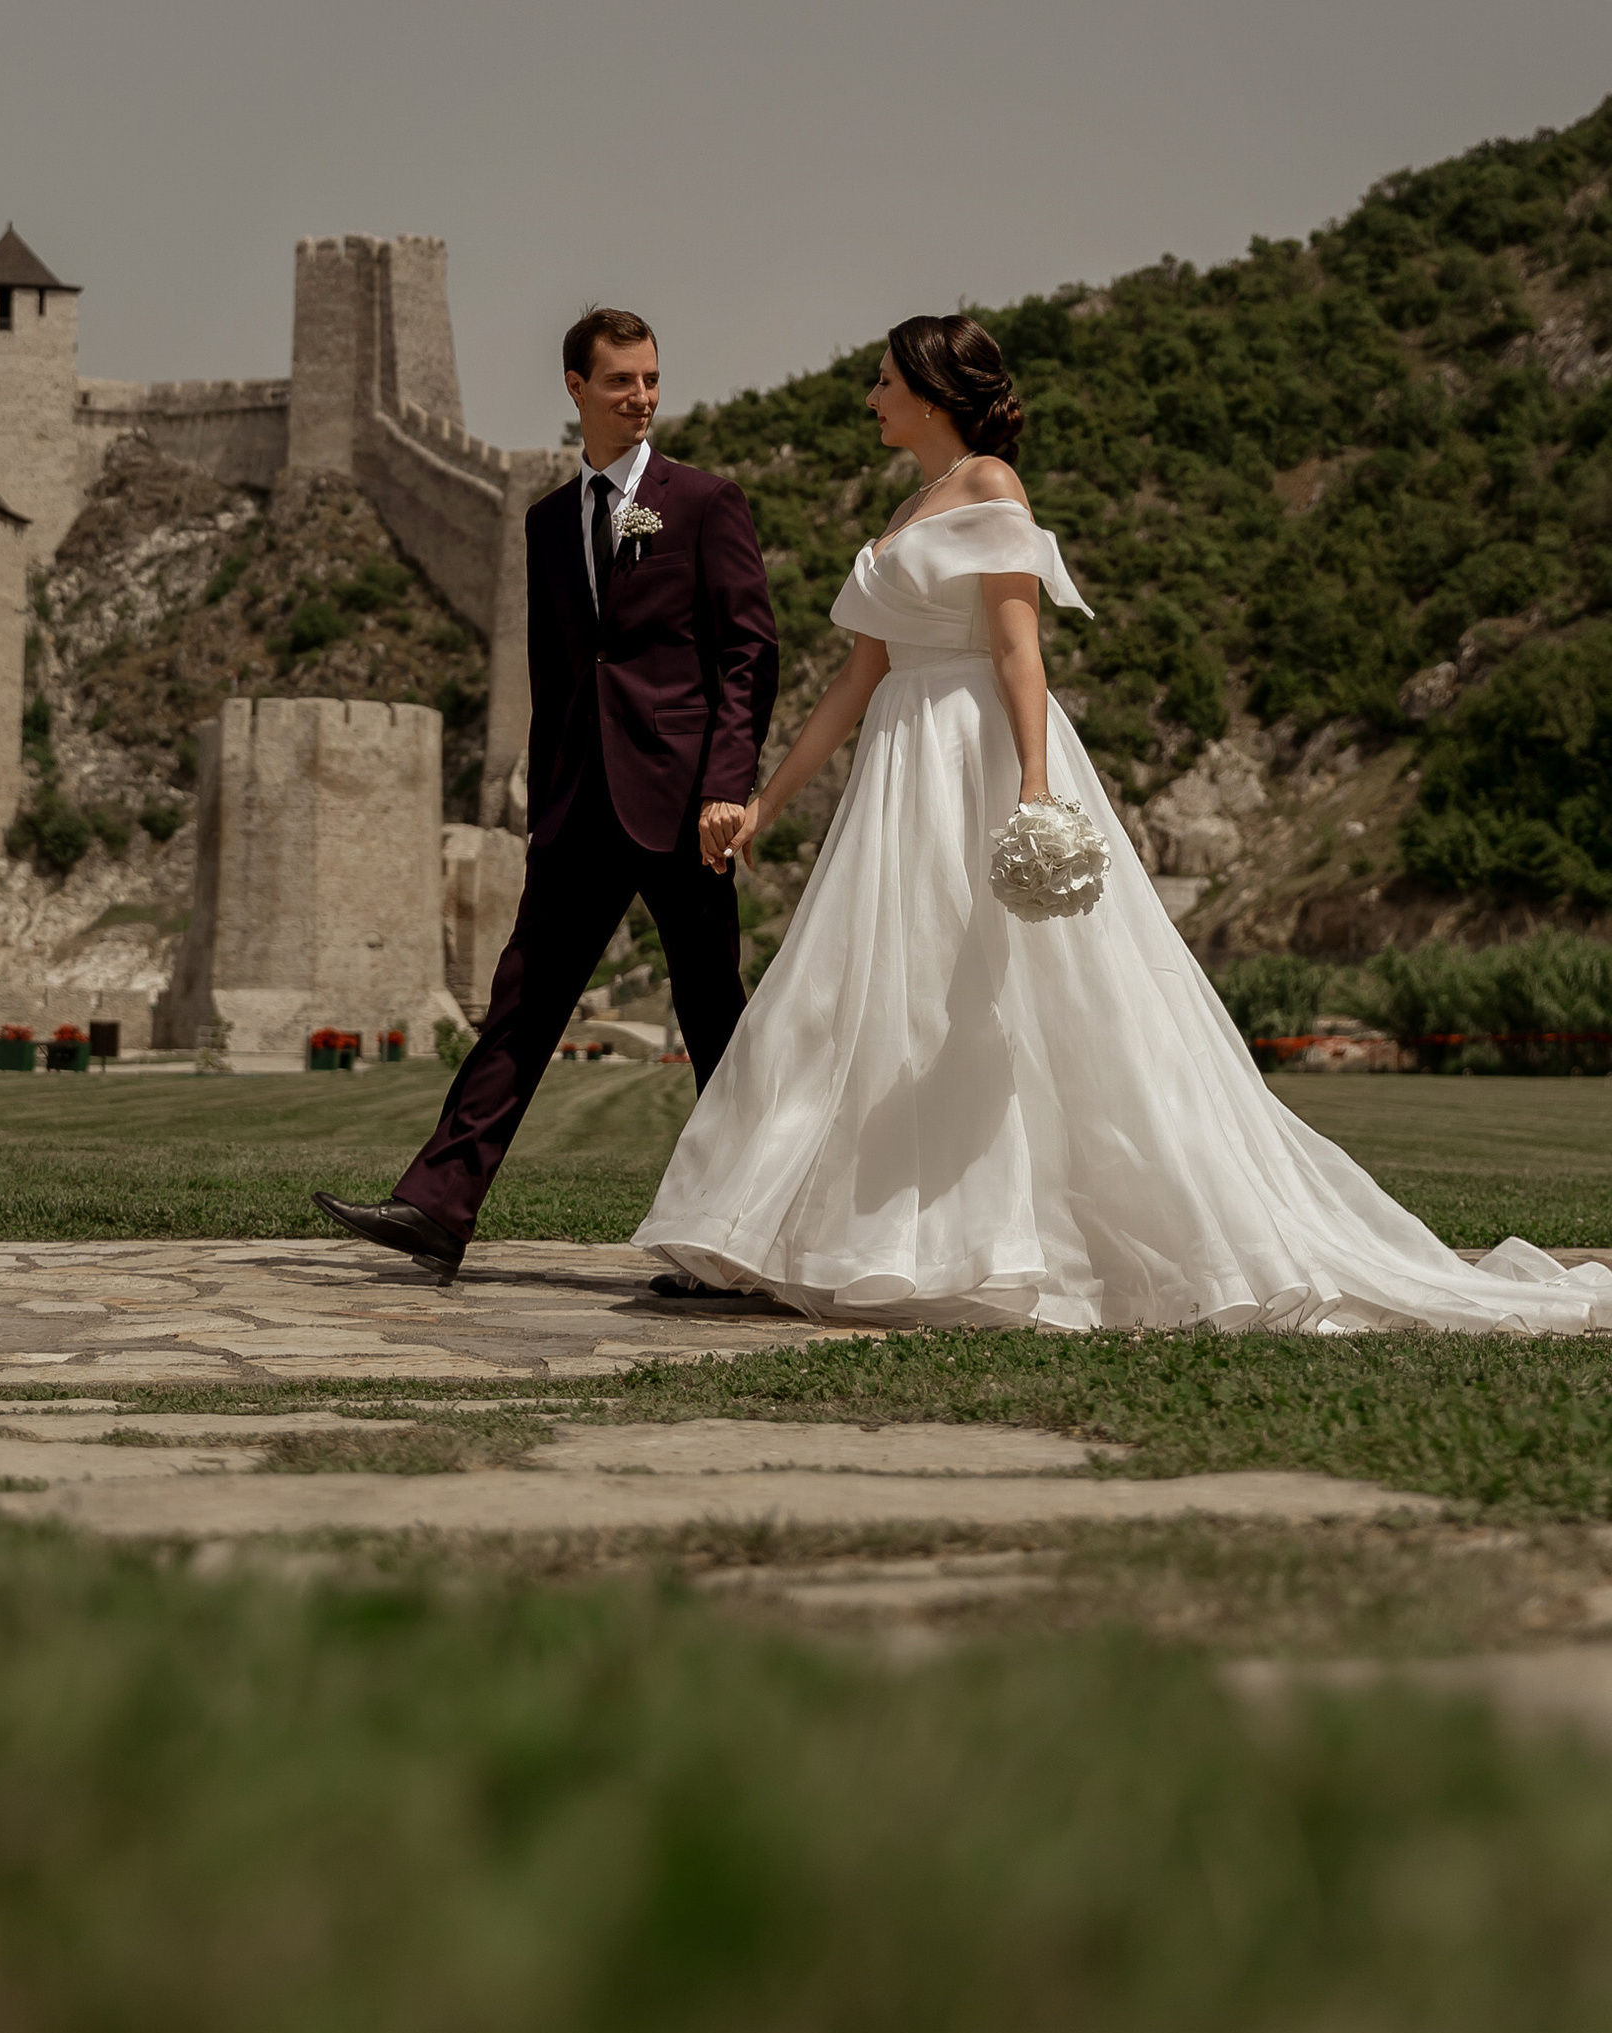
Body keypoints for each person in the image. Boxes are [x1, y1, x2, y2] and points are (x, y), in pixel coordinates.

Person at [635, 312, 1610, 1333]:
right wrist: (765, 801)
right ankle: (820, 1234)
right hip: (897, 763)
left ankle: (1006, 1240)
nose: (869, 398)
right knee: (863, 991)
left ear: (928, 392)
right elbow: (855, 680)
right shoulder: (910, 502)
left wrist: (1033, 787)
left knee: (1006, 996)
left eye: (881, 381)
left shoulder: (988, 489)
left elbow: (1018, 652)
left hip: (977, 753)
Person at [314, 305, 776, 1281]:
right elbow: (557, 676)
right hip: (576, 810)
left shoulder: (702, 503)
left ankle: (754, 1230)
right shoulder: (539, 523)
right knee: (520, 1006)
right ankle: (437, 1209)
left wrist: (727, 786)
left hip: (683, 803)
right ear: (576, 388)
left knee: (711, 1016)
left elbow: (747, 655)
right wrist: (540, 809)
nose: (642, 397)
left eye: (651, 379)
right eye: (621, 381)